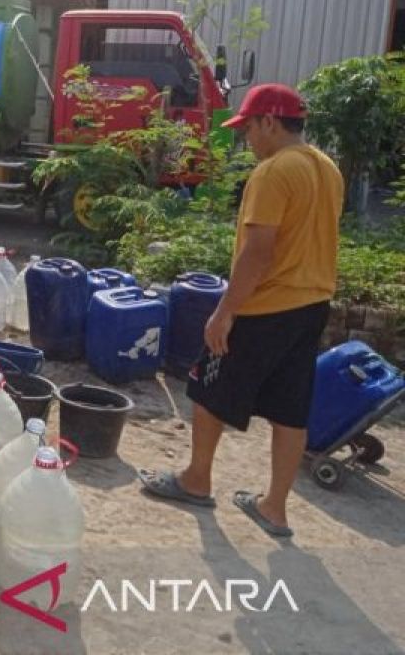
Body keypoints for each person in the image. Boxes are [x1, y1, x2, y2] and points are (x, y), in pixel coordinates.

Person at [139, 84, 343, 539]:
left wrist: (225, 312)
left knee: (207, 386)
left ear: (269, 122)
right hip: (311, 305)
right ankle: (274, 507)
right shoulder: (326, 168)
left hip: (265, 305)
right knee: (291, 410)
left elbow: (258, 252)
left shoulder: (274, 172)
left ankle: (196, 479)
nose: (246, 139)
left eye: (248, 128)